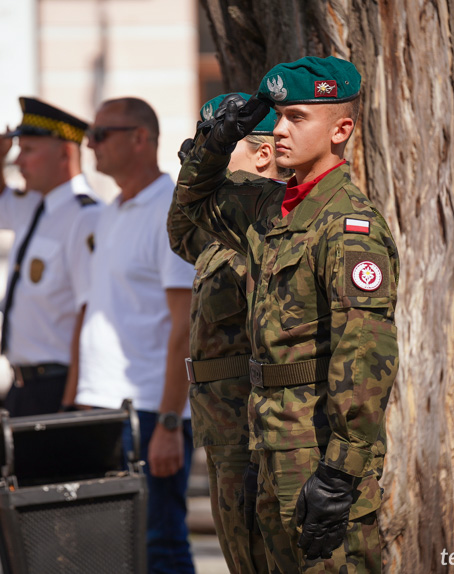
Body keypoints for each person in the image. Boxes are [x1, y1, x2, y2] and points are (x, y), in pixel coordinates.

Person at [175, 57, 400, 573]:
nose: (278, 130)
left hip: (318, 450)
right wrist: (216, 141)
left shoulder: (347, 224)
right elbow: (193, 205)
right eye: (276, 117)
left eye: (296, 117)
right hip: (269, 441)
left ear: (341, 129)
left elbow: (365, 353)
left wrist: (341, 472)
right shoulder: (269, 209)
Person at [70, 97, 197, 574]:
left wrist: (169, 423)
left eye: (101, 134)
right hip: (103, 406)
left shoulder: (169, 211)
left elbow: (184, 328)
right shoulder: (112, 211)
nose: (90, 144)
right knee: (107, 550)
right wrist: (82, 398)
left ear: (140, 139)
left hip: (147, 414)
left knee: (160, 545)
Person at [167, 93, 288, 574]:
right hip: (221, 428)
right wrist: (202, 159)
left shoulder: (270, 223)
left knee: (260, 557)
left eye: (224, 146)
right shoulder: (224, 234)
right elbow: (182, 230)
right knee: (239, 558)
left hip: (250, 429)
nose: (209, 159)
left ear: (262, 155)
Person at [0, 97, 100, 416]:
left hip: (58, 386)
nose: (18, 162)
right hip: (23, 385)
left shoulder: (84, 216)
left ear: (64, 153)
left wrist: (73, 402)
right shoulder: (35, 204)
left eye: (28, 150)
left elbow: (88, 315)